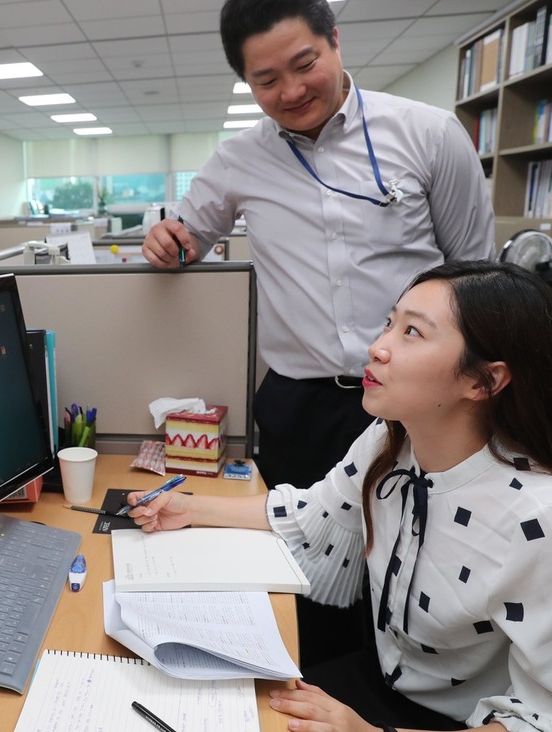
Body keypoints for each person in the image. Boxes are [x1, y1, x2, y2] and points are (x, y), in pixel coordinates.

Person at [141, 0, 494, 665]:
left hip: (416, 399)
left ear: (334, 41)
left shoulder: (428, 134)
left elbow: (476, 275)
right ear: (246, 83)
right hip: (299, 403)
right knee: (299, 573)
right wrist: (167, 242)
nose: (292, 90)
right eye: (267, 79)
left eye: (305, 64)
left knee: (409, 569)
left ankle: (390, 701)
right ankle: (314, 694)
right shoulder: (238, 159)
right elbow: (189, 238)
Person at [128, 260, 552, 732]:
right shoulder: (390, 443)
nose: (377, 347)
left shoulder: (547, 521)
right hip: (374, 685)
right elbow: (315, 515)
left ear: (484, 381)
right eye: (390, 323)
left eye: (412, 333)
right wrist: (191, 508)